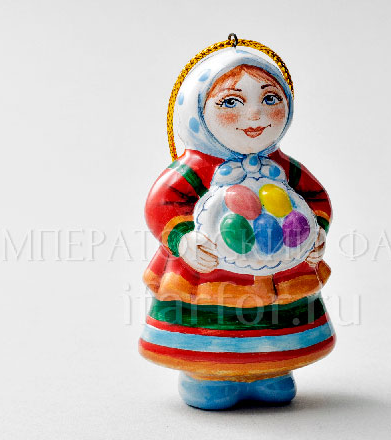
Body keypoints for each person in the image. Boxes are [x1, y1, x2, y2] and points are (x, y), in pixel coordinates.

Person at [140, 48, 335, 409]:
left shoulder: (283, 167)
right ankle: (207, 376)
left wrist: (316, 230)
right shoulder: (194, 168)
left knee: (278, 324)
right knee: (210, 325)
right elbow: (161, 204)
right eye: (231, 102)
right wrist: (183, 239)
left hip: (282, 267)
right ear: (197, 111)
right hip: (207, 273)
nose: (255, 115)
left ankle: (272, 371)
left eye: (270, 99)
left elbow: (317, 197)